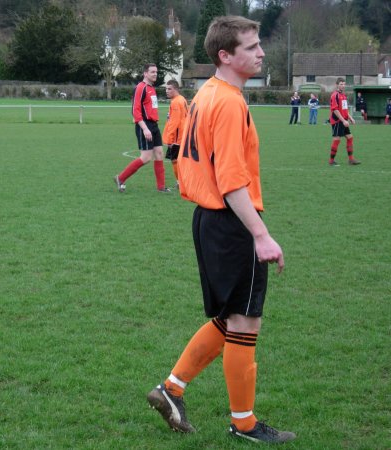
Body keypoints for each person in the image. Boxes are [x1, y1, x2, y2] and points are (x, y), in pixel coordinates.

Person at [146, 16, 296, 444]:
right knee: (245, 323)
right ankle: (244, 423)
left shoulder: (206, 93)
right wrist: (260, 234)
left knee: (229, 318)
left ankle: (171, 389)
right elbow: (231, 181)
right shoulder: (228, 101)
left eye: (259, 44)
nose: (261, 53)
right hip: (231, 221)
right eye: (251, 47)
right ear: (225, 55)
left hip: (208, 221)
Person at [114, 63, 171, 193]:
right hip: (144, 125)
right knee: (146, 157)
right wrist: (145, 128)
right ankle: (120, 178)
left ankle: (161, 188)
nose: (155, 74)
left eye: (156, 72)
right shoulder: (141, 87)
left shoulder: (152, 88)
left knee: (159, 153)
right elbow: (135, 110)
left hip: (154, 125)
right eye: (152, 72)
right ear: (145, 73)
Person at [328, 78, 360, 166]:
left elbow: (345, 109)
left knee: (350, 137)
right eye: (341, 84)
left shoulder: (343, 96)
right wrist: (343, 120)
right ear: (337, 85)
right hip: (337, 121)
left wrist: (350, 118)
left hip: (344, 121)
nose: (343, 86)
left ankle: (351, 160)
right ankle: (331, 161)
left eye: (344, 84)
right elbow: (335, 110)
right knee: (337, 139)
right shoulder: (335, 95)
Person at [163, 79, 188, 189]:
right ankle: (182, 182)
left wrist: (170, 139)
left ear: (176, 89)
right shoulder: (181, 99)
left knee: (174, 160)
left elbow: (175, 122)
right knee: (180, 161)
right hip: (182, 135)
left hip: (177, 138)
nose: (167, 91)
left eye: (169, 89)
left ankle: (180, 183)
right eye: (166, 89)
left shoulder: (176, 102)